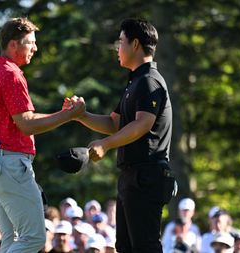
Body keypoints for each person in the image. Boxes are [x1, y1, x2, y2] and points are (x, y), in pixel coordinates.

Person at [0, 17, 84, 253]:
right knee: (34, 238)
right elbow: (26, 124)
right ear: (13, 45)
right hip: (12, 166)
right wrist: (68, 115)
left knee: (11, 240)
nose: (35, 48)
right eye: (30, 42)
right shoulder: (12, 75)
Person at [71, 18, 174, 253]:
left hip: (147, 175)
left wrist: (106, 145)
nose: (117, 48)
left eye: (121, 42)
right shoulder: (135, 82)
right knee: (125, 247)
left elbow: (142, 124)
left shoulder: (149, 81)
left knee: (144, 247)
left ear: (135, 44)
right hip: (132, 176)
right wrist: (80, 115)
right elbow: (114, 123)